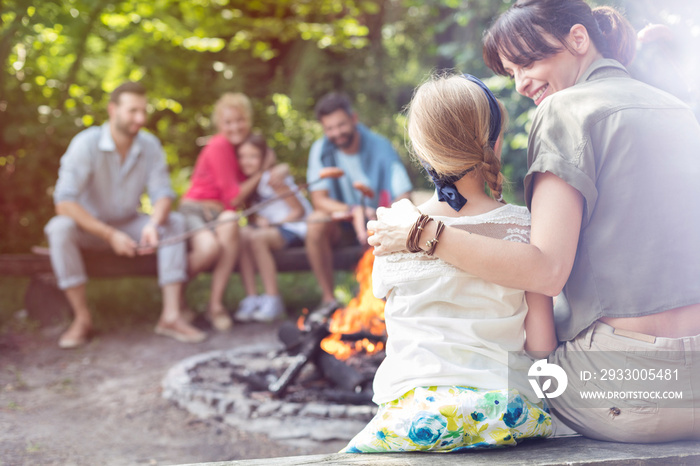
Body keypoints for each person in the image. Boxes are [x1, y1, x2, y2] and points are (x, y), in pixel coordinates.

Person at [368, 0, 700, 443]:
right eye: (511, 72)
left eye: (527, 62)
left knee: (521, 375)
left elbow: (545, 271)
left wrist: (424, 232)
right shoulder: (678, 108)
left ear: (579, 38)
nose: (522, 84)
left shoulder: (564, 108)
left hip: (628, 393)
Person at [342, 73, 555, 453]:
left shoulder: (394, 229)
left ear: (422, 150)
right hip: (506, 411)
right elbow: (541, 344)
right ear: (495, 140)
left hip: (417, 417)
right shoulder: (525, 226)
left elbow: (399, 335)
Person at [45, 81, 207, 348]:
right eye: (133, 111)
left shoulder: (149, 145)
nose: (140, 119)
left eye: (143, 111)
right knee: (58, 228)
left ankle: (171, 316)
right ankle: (82, 318)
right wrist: (110, 235)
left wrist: (153, 224)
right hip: (91, 229)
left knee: (174, 221)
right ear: (113, 110)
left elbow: (163, 193)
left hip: (130, 223)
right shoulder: (86, 144)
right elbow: (64, 202)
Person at [305, 92, 413, 313]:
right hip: (341, 223)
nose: (336, 133)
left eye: (341, 125)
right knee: (315, 222)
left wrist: (381, 217)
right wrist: (352, 210)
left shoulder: (380, 147)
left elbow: (403, 196)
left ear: (354, 119)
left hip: (376, 221)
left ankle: (389, 302)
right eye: (330, 128)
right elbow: (319, 200)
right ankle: (329, 301)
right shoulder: (320, 149)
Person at [179, 93, 277, 331]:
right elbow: (233, 197)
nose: (235, 127)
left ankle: (215, 307)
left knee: (231, 222)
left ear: (249, 120)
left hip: (220, 216)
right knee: (210, 248)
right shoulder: (220, 145)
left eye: (240, 120)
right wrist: (260, 171)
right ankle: (175, 297)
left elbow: (240, 202)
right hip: (196, 210)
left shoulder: (242, 150)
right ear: (219, 126)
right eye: (228, 122)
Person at [234, 134, 313, 322]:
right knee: (243, 234)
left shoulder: (272, 179)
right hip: (275, 228)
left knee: (257, 238)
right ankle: (252, 297)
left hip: (296, 227)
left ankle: (273, 299)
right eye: (242, 156)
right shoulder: (249, 183)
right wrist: (261, 220)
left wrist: (273, 224)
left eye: (253, 156)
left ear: (263, 158)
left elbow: (298, 210)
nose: (246, 161)